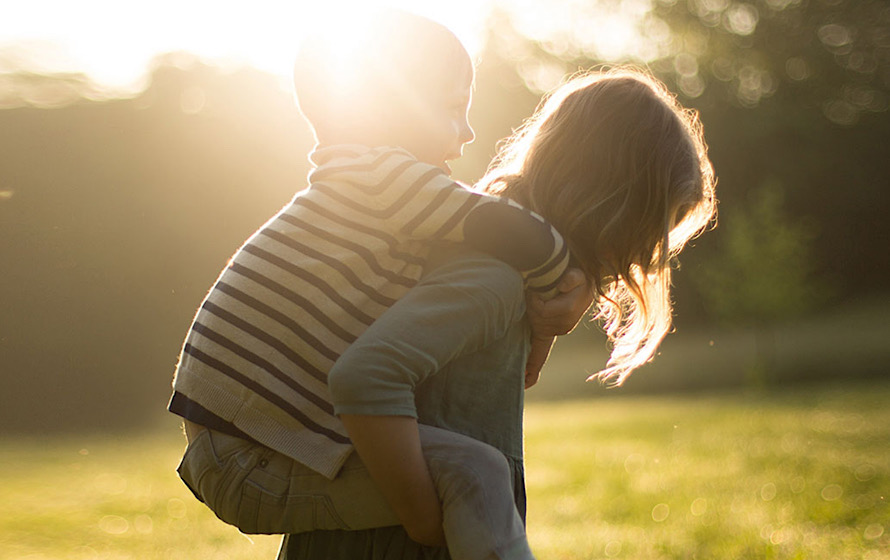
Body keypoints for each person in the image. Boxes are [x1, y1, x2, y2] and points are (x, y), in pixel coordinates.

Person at [168, 9, 590, 560]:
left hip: (242, 446)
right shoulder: (382, 178)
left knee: (468, 473)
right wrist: (567, 283)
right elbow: (507, 227)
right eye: (452, 108)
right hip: (250, 456)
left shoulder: (361, 186)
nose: (467, 133)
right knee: (476, 472)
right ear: (389, 107)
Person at [279, 67, 717, 559]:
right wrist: (424, 517)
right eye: (648, 230)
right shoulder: (494, 280)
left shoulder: (509, 266)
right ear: (610, 203)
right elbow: (366, 376)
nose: (643, 258)